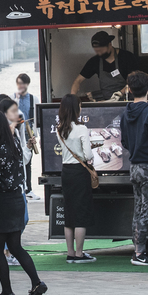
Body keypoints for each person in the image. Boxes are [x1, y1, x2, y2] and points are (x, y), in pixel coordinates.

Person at [0, 110, 47, 295]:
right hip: (17, 199)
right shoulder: (14, 143)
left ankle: (7, 292)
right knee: (16, 246)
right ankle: (36, 282)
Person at [119, 71, 148, 267]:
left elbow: (124, 142)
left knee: (138, 209)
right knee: (147, 209)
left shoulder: (125, 114)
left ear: (129, 90)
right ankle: (139, 252)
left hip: (134, 166)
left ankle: (137, 249)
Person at [56, 93, 95, 263]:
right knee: (81, 213)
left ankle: (70, 252)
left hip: (66, 171)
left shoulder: (60, 128)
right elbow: (87, 154)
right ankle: (79, 253)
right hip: (80, 172)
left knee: (69, 213)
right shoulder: (82, 129)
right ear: (76, 108)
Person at [70, 31, 142, 101]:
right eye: (97, 51)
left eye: (101, 50)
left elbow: (134, 81)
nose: (99, 53)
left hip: (126, 101)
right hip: (105, 102)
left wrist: (119, 94)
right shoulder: (95, 61)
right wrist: (72, 98)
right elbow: (77, 81)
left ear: (110, 45)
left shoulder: (127, 57)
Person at [14, 75, 38, 196]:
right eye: (19, 83)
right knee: (17, 161)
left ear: (28, 84)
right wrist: (17, 99)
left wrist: (36, 135)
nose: (21, 86)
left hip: (28, 134)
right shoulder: (13, 98)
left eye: (23, 83)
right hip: (16, 134)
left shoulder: (34, 98)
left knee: (28, 162)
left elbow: (37, 118)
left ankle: (29, 188)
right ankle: (21, 187)